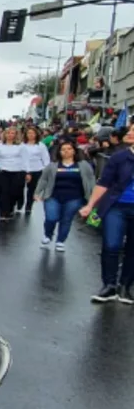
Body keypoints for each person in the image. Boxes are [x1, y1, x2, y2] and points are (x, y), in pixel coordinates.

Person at [80, 126, 134, 303]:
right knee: (111, 245)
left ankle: (126, 286)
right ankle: (109, 286)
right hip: (115, 206)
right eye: (130, 131)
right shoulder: (119, 157)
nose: (130, 134)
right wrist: (90, 206)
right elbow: (104, 183)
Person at [34, 140, 95, 252]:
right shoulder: (52, 166)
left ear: (74, 151)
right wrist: (37, 193)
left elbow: (91, 180)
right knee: (51, 218)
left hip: (74, 198)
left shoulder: (84, 165)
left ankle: (60, 241)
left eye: (69, 149)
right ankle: (48, 235)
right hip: (53, 196)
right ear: (59, 152)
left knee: (66, 220)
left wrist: (92, 197)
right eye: (63, 149)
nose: (66, 151)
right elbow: (43, 179)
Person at [0, 127, 28, 221]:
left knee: (14, 193)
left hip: (17, 172)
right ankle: (3, 213)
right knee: (4, 192)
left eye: (12, 133)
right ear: (5, 134)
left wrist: (27, 172)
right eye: (8, 133)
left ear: (16, 135)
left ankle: (11, 208)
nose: (10, 135)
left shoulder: (21, 146)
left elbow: (25, 160)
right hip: (3, 171)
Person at [21, 126, 51, 214]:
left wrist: (47, 170)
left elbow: (45, 158)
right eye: (29, 133)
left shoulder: (41, 145)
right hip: (23, 169)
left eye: (33, 133)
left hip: (36, 169)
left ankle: (28, 206)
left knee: (32, 189)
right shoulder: (21, 145)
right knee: (18, 188)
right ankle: (20, 202)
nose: (31, 135)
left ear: (36, 134)